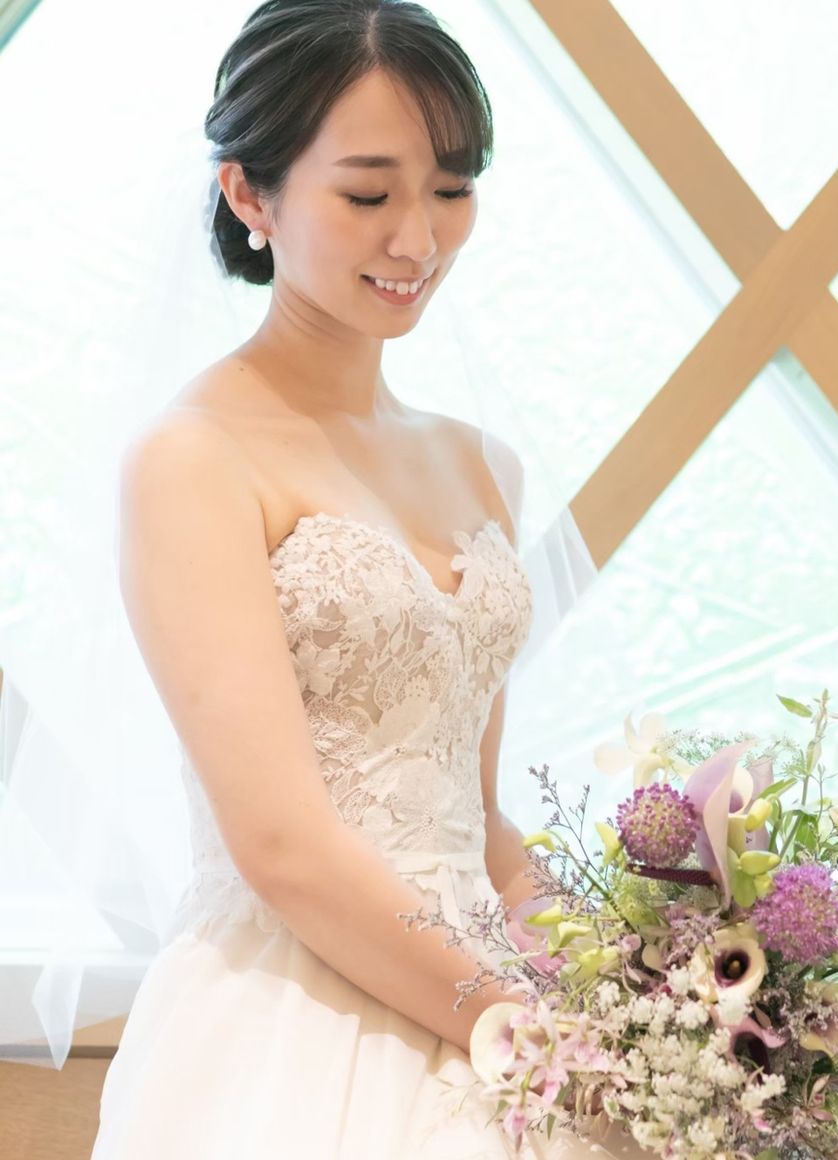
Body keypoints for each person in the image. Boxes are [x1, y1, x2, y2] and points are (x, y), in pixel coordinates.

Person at [89, 2, 649, 1155]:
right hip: (294, 1017)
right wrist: (502, 1017)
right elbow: (280, 844)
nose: (418, 239)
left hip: (495, 1003)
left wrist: (629, 989)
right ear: (250, 194)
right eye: (366, 194)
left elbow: (472, 817)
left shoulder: (480, 465)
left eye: (450, 188)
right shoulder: (191, 457)